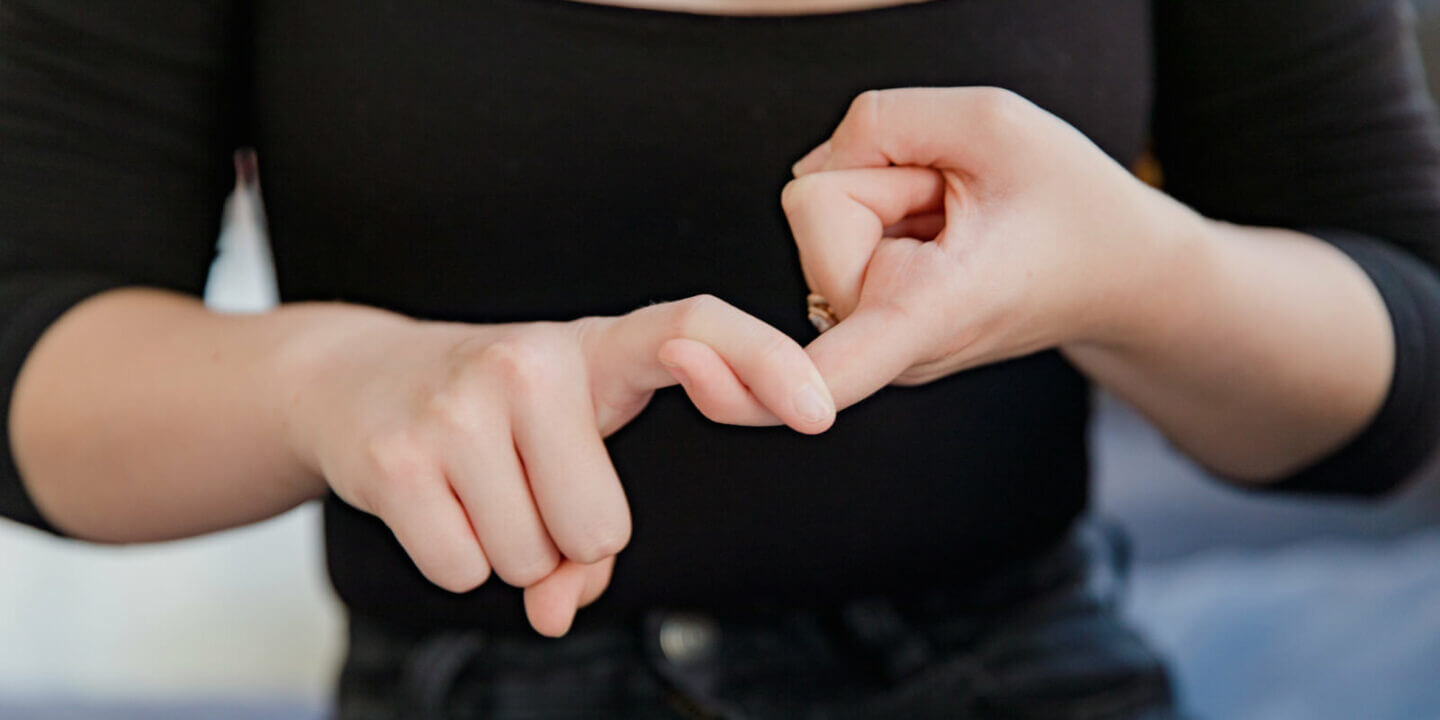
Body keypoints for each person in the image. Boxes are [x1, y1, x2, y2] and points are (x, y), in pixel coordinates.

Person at [2, 0, 1438, 717]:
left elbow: (1403, 355)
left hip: (1020, 662)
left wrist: (1140, 267)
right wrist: (328, 382)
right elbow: (29, 326)